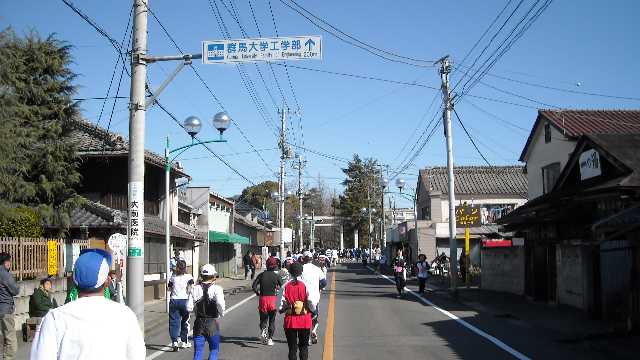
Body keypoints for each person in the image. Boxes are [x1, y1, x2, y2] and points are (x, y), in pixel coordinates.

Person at [30, 249, 145, 360]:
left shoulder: (54, 317)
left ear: (74, 281)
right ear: (107, 282)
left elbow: (41, 356)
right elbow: (137, 355)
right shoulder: (125, 315)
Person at [192, 264, 225, 360]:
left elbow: (188, 307)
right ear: (213, 276)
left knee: (198, 351)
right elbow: (220, 304)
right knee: (214, 349)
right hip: (212, 322)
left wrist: (196, 310)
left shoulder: (195, 288)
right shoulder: (217, 289)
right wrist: (221, 313)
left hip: (198, 322)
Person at [280, 262, 312, 360]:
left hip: (290, 321)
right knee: (303, 347)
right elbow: (311, 302)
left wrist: (284, 308)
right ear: (301, 272)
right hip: (304, 320)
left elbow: (280, 306)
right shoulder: (306, 284)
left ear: (290, 272)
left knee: (292, 348)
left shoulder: (285, 286)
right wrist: (312, 310)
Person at [252, 257, 282, 345]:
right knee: (272, 321)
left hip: (263, 299)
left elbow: (254, 286)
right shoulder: (276, 276)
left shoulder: (261, 275)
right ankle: (270, 339)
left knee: (263, 319)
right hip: (272, 299)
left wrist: (258, 293)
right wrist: (278, 291)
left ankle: (263, 331)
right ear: (275, 266)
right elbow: (283, 287)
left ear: (267, 265)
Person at [300, 251, 326, 345]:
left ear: (303, 259)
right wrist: (318, 287)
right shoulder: (317, 269)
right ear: (311, 259)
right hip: (315, 296)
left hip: (302, 297)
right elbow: (324, 283)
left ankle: (307, 338)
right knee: (314, 315)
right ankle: (314, 330)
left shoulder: (300, 269)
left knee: (304, 317)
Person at [167, 259, 194, 351]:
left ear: (177, 267)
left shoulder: (173, 277)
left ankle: (174, 342)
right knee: (185, 321)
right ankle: (184, 342)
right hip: (184, 301)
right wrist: (188, 293)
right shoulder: (189, 277)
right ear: (185, 267)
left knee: (174, 322)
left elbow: (169, 288)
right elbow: (190, 288)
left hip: (174, 301)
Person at [0, 253, 18, 359]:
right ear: (5, 262)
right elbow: (15, 289)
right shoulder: (4, 274)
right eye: (9, 261)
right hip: (6, 308)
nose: (10, 263)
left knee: (6, 337)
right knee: (11, 341)